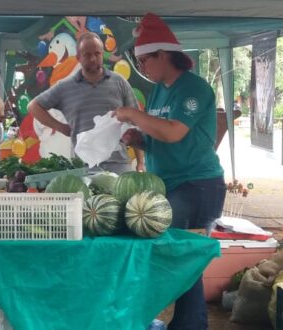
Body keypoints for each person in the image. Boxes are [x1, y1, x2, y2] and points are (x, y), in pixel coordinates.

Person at [114, 13, 226, 330]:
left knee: (170, 252)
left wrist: (134, 115)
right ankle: (188, 324)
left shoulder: (194, 89)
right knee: (182, 260)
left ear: (163, 55)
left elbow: (174, 131)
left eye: (145, 61)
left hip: (198, 186)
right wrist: (140, 139)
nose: (142, 69)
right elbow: (160, 135)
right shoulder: (160, 90)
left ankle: (183, 323)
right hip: (170, 185)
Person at [27, 32, 144, 174]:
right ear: (78, 58)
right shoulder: (65, 86)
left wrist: (141, 163)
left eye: (97, 53)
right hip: (82, 168)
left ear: (102, 54)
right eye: (87, 55)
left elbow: (137, 122)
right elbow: (33, 106)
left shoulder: (119, 82)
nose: (93, 58)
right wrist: (61, 127)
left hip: (118, 166)